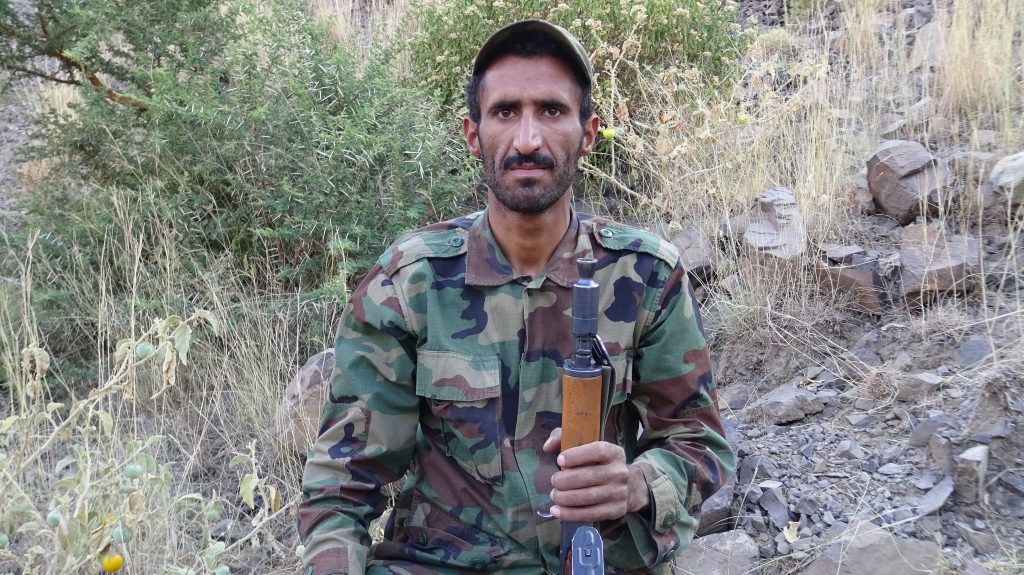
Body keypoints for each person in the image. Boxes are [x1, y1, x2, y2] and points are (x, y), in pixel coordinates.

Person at [298, 19, 735, 575]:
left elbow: (699, 444)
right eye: (506, 112)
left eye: (551, 111)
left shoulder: (646, 275)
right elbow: (342, 483)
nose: (527, 140)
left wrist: (637, 484)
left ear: (588, 133)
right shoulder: (409, 283)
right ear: (473, 134)